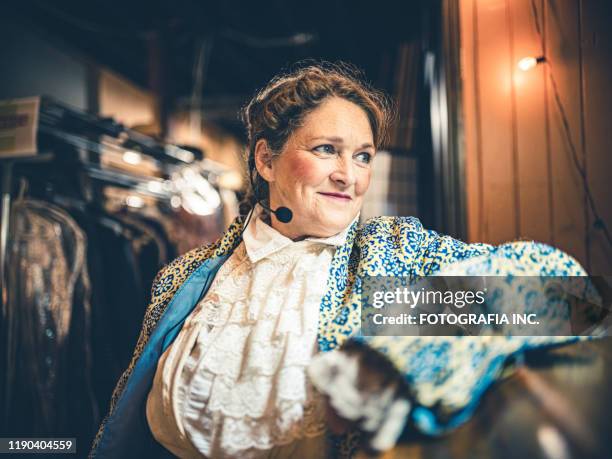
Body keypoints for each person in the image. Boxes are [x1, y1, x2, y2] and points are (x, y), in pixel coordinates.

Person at [90, 61, 598, 458]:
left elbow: (566, 299)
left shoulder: (391, 258)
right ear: (266, 159)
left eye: (362, 156)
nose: (348, 176)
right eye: (327, 149)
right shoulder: (185, 280)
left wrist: (390, 363)